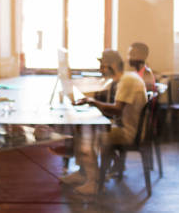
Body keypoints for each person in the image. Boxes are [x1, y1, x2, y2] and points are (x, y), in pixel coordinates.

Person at [60, 49, 147, 195]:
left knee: (85, 134)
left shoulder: (127, 81)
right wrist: (92, 101)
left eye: (103, 66)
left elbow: (117, 110)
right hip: (125, 127)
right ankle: (84, 173)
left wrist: (93, 102)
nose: (101, 70)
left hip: (128, 132)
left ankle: (93, 182)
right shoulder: (125, 79)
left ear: (112, 65)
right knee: (82, 129)